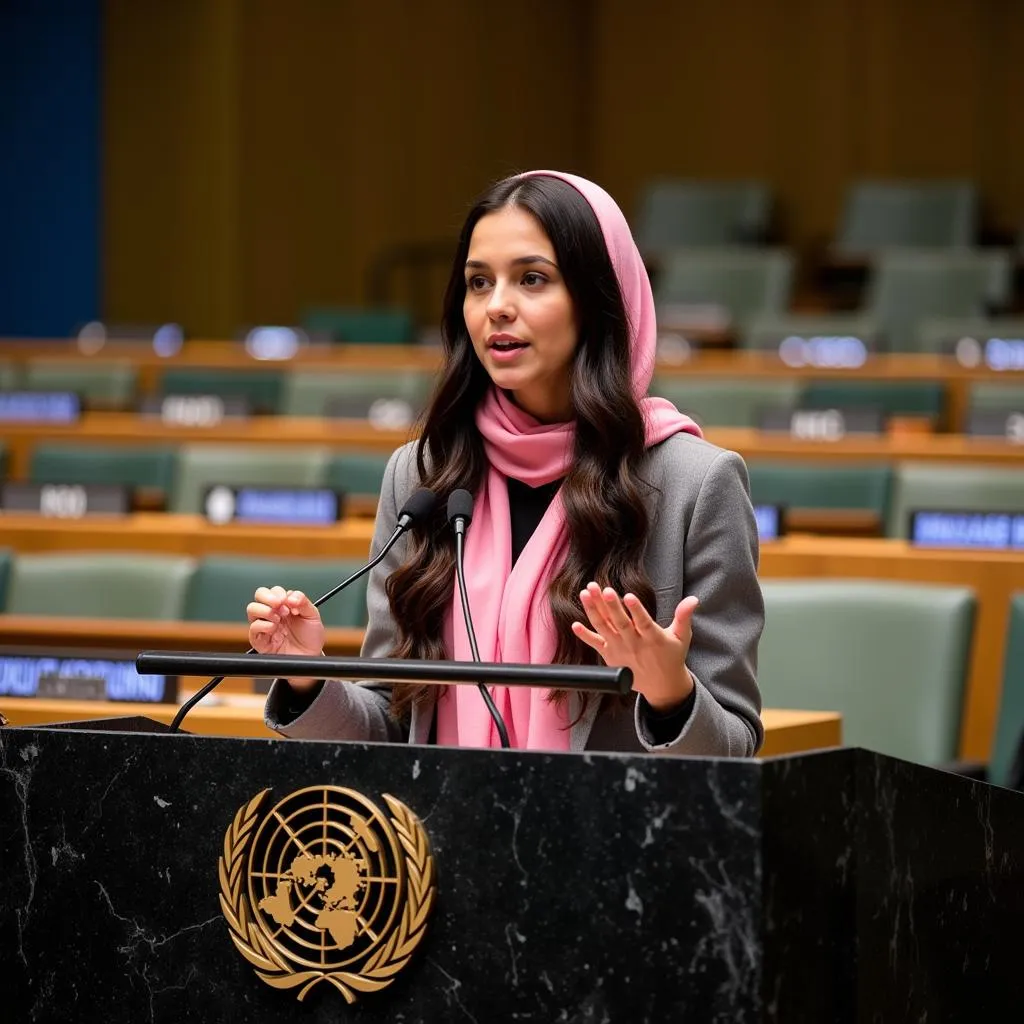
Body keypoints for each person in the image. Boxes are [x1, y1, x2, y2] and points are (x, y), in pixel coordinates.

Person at [250, 170, 764, 756]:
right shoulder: (424, 476)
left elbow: (736, 749)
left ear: (599, 298)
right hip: (440, 837)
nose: (497, 307)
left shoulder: (695, 484)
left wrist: (670, 692)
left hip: (609, 838)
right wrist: (306, 678)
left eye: (532, 279)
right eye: (478, 282)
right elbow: (394, 727)